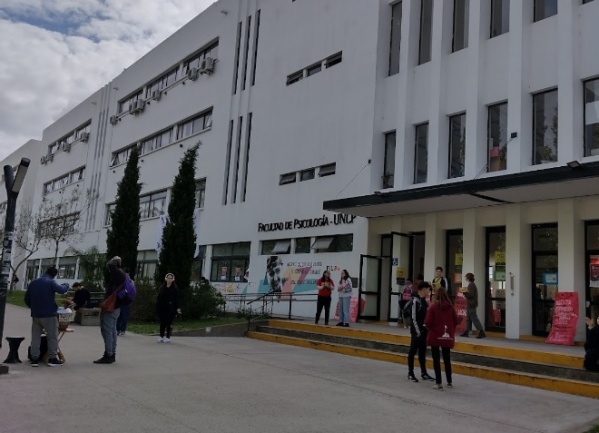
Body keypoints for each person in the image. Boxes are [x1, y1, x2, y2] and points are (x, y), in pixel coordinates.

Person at [24, 266, 69, 367]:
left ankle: (34, 359)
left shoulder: (33, 282)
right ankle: (52, 358)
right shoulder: (50, 282)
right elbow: (61, 290)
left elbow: (26, 299)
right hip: (49, 315)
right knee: (52, 337)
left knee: (35, 337)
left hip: (36, 315)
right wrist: (66, 284)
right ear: (54, 275)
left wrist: (33, 307)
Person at [425, 286, 459, 390]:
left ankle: (438, 382)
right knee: (447, 359)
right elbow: (456, 321)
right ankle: (449, 381)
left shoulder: (433, 306)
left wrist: (431, 327)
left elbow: (428, 322)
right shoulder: (450, 307)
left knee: (436, 360)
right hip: (447, 336)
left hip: (435, 335)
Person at [94, 256, 126, 364]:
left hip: (111, 308)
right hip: (115, 307)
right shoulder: (121, 274)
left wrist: (115, 259)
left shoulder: (118, 274)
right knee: (112, 330)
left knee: (108, 331)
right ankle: (111, 353)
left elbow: (111, 265)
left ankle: (109, 355)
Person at [407, 281, 435, 382]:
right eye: (428, 289)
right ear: (423, 289)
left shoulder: (424, 301)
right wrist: (418, 332)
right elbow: (413, 318)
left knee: (422, 352)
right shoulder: (415, 301)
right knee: (413, 351)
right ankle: (410, 373)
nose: (429, 291)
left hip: (424, 331)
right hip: (417, 332)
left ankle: (424, 372)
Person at [459, 273, 486, 339]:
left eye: (466, 277)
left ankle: (481, 331)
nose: (465, 278)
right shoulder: (472, 284)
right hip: (471, 303)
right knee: (469, 318)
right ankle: (467, 331)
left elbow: (470, 295)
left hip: (471, 304)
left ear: (468, 277)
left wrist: (464, 292)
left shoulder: (471, 285)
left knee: (474, 318)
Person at [156, 273, 181, 343]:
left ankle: (168, 337)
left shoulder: (175, 289)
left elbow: (177, 299)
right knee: (162, 322)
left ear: (173, 280)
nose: (169, 280)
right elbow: (159, 298)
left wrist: (178, 308)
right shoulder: (162, 287)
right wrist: (158, 305)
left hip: (171, 308)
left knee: (169, 323)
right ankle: (161, 336)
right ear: (166, 279)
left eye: (171, 278)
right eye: (168, 278)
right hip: (162, 307)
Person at [117, 267, 132, 336]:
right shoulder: (120, 280)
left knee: (124, 316)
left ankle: (122, 330)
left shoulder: (130, 281)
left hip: (126, 301)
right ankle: (118, 329)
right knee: (119, 316)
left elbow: (132, 291)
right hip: (120, 301)